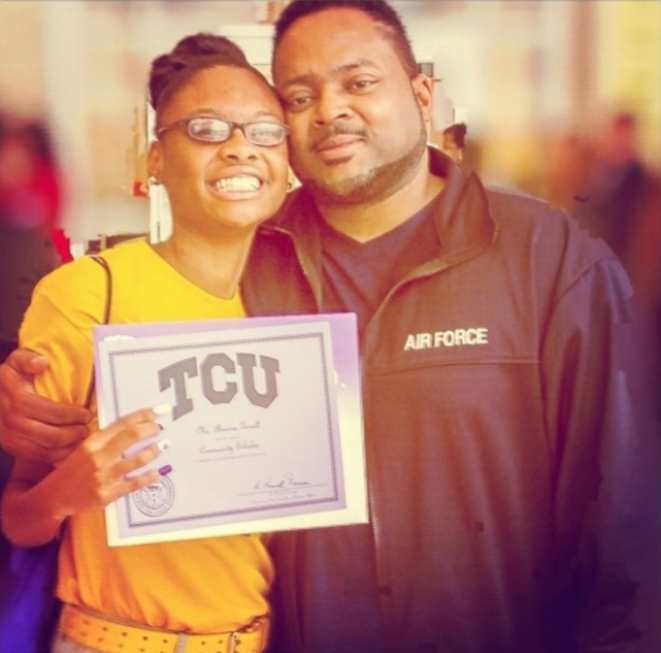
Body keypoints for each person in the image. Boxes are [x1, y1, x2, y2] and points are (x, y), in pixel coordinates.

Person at [0, 2, 652, 652]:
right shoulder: (253, 259)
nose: (329, 109)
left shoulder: (545, 257)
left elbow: (622, 514)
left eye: (359, 81)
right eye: (298, 96)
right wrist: (17, 398)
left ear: (422, 96)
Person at [0, 32, 289, 653]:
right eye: (207, 129)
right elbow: (19, 518)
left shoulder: (298, 301)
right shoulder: (88, 292)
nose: (241, 148)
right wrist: (69, 491)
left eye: (266, 131)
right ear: (154, 158)